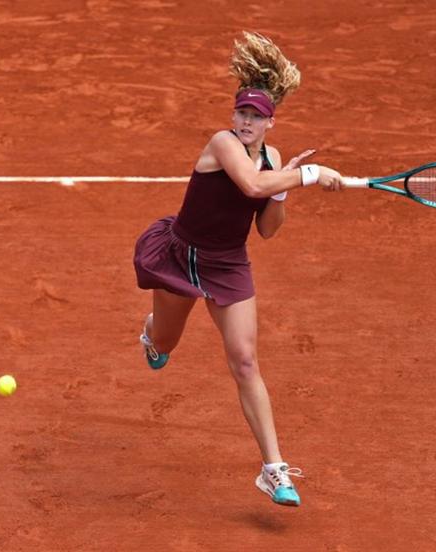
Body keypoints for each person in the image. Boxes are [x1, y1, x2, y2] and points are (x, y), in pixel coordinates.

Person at [133, 31, 344, 507]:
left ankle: (273, 469)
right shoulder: (223, 144)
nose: (247, 121)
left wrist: (285, 187)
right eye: (242, 113)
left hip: (228, 263)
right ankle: (151, 334)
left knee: (245, 360)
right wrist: (309, 175)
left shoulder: (271, 159)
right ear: (233, 116)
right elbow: (249, 187)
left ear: (271, 122)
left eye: (257, 116)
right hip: (182, 256)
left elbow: (267, 227)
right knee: (166, 342)